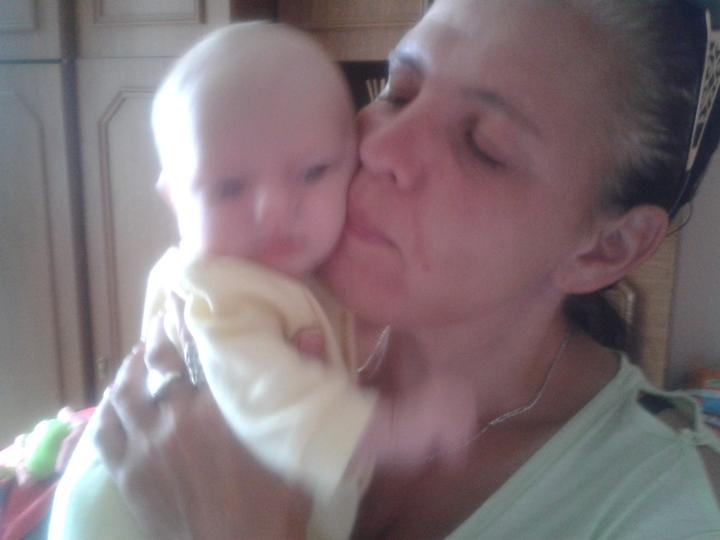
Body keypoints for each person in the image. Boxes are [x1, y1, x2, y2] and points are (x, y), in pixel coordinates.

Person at [89, 0, 720, 538]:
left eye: (484, 146)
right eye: (397, 92)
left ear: (604, 248)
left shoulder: (661, 509)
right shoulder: (287, 307)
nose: (376, 145)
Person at [49, 21, 480, 540]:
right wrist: (393, 429)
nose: (274, 210)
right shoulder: (224, 290)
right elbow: (267, 393)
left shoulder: (287, 276)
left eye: (313, 172)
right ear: (175, 200)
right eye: (229, 187)